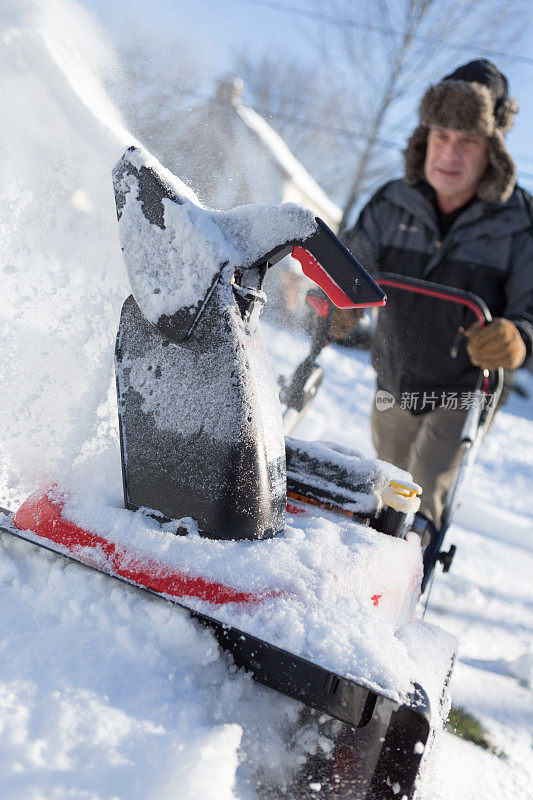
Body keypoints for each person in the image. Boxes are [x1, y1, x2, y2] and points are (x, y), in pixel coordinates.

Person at [341, 59, 533, 527]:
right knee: (384, 492)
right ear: (424, 140)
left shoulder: (518, 222)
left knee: (417, 505)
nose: (449, 153)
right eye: (441, 137)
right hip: (394, 380)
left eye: (466, 141)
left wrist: (519, 336)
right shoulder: (391, 202)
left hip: (467, 391)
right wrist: (331, 304)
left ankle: (411, 562)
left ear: (493, 150)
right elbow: (345, 270)